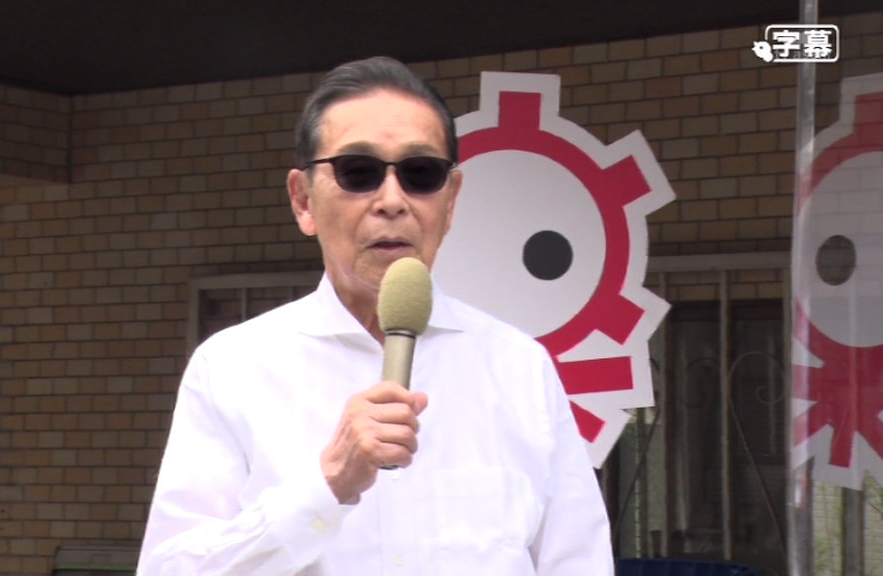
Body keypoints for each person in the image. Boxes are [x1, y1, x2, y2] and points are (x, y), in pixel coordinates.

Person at [137, 55, 613, 575]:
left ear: (451, 201)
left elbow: (580, 562)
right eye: (358, 172)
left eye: (420, 174)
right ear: (303, 200)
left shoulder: (519, 367)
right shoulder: (233, 368)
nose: (392, 201)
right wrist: (327, 485)